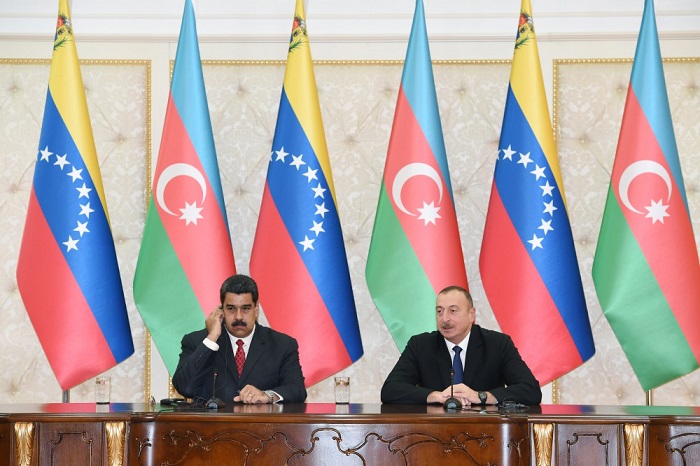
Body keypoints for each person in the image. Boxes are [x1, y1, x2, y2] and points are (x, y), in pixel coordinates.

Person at [381, 285, 541, 406]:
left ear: (471, 314)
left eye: (453, 311)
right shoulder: (421, 345)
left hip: (487, 435)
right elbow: (390, 390)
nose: (445, 319)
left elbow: (531, 391)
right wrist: (437, 396)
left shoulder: (497, 344)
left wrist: (481, 397)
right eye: (439, 311)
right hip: (433, 434)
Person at [172, 274, 307, 404]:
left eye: (245, 309)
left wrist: (267, 395)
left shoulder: (282, 345)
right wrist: (212, 337)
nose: (238, 317)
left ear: (256, 309)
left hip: (262, 426)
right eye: (231, 309)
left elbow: (297, 390)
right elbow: (185, 388)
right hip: (211, 426)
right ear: (221, 310)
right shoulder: (197, 341)